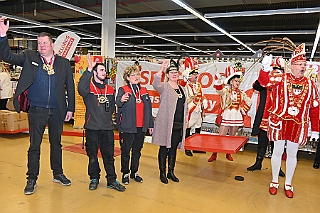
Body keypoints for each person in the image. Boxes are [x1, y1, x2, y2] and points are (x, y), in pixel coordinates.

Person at [0, 16, 75, 195]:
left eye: (45, 43)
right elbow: (7, 56)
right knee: (34, 145)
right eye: (39, 43)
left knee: (56, 144)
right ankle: (31, 179)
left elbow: (70, 86)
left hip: (57, 110)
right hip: (37, 109)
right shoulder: (29, 57)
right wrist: (3, 35)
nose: (41, 46)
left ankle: (58, 173)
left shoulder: (63, 63)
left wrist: (70, 108)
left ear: (52, 44)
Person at [258, 44, 319, 198]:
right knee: (277, 152)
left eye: (305, 64)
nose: (303, 67)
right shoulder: (280, 78)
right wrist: (265, 68)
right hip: (279, 122)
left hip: (298, 125)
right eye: (300, 64)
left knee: (292, 154)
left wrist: (316, 129)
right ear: (291, 65)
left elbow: (315, 107)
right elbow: (264, 82)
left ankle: (288, 183)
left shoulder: (311, 85)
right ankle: (274, 181)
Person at [78, 54, 126, 192]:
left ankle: (112, 180)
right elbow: (81, 88)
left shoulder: (110, 90)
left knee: (109, 155)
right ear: (94, 73)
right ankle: (94, 178)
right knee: (92, 156)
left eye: (104, 70)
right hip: (92, 127)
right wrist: (88, 70)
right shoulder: (88, 89)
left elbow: (111, 108)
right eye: (101, 70)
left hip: (107, 128)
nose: (104, 72)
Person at [116, 65, 154, 185]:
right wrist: (121, 100)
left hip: (141, 127)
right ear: (127, 77)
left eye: (138, 74)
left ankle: (134, 172)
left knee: (137, 150)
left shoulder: (144, 91)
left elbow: (148, 109)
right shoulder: (123, 90)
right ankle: (125, 173)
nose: (136, 77)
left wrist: (150, 124)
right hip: (127, 126)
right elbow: (117, 103)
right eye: (133, 75)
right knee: (126, 151)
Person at [247, 57, 285, 177]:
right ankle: (258, 163)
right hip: (264, 115)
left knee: (277, 144)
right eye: (275, 69)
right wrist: (265, 72)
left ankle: (277, 167)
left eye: (279, 70)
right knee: (262, 141)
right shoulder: (266, 80)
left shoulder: (284, 82)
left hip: (278, 117)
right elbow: (256, 86)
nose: (276, 72)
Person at [152, 59, 188, 184]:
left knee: (173, 149)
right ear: (167, 75)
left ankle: (170, 172)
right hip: (166, 124)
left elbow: (184, 107)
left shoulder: (183, 89)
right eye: (171, 72)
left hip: (179, 125)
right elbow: (155, 83)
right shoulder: (164, 87)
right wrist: (161, 69)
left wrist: (186, 121)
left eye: (176, 72)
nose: (174, 74)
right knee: (164, 147)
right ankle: (162, 173)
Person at [208, 62, 252, 162]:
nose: (238, 83)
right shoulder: (226, 90)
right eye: (236, 81)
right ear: (231, 81)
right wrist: (218, 80)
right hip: (227, 114)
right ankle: (214, 154)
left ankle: (228, 153)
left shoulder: (241, 92)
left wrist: (243, 109)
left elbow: (249, 101)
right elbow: (219, 91)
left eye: (239, 81)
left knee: (232, 137)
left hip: (236, 116)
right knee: (221, 136)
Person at [179, 57, 207, 157]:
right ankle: (186, 147)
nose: (196, 76)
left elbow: (201, 96)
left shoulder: (198, 85)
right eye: (194, 74)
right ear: (189, 75)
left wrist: (203, 109)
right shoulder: (185, 84)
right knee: (188, 128)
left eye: (196, 74)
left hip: (198, 110)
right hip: (189, 110)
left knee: (198, 128)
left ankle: (196, 147)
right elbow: (182, 88)